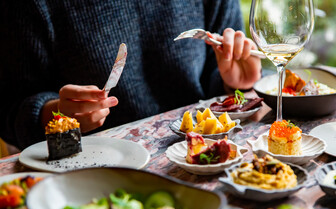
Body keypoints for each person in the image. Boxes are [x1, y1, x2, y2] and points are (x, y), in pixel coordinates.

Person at [0, 0, 261, 150]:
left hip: (204, 157)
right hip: (91, 178)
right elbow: (10, 112)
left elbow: (212, 86)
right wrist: (55, 117)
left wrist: (233, 87)